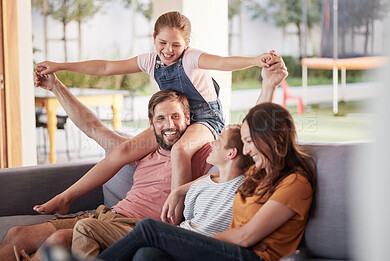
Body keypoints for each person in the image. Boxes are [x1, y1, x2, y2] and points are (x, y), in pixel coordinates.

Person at [35, 11, 274, 198]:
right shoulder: (151, 61)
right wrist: (60, 66)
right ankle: (67, 197)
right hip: (175, 117)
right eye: (162, 43)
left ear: (187, 43)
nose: (168, 50)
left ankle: (174, 209)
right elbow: (105, 67)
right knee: (124, 150)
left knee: (180, 150)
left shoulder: (190, 58)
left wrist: (256, 60)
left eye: (176, 45)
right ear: (153, 38)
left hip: (205, 118)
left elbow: (222, 62)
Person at [96, 67, 316, 261]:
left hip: (251, 256)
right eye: (246, 143)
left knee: (149, 229)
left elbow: (246, 236)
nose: (246, 149)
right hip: (229, 248)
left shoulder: (294, 183)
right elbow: (251, 127)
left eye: (250, 143)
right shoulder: (259, 171)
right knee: (147, 255)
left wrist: (195, 241)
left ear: (272, 141)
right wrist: (180, 190)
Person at [0, 87, 213, 261]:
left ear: (187, 118)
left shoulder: (200, 152)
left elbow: (231, 164)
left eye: (176, 117)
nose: (169, 125)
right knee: (17, 234)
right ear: (151, 124)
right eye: (161, 119)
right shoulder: (141, 149)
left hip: (137, 227)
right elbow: (92, 127)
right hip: (107, 215)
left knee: (59, 240)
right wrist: (55, 85)